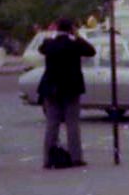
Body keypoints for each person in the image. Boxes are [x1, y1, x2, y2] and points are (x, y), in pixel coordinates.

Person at [37, 18, 96, 169]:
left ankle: (48, 157)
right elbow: (91, 51)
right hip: (71, 88)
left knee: (52, 124)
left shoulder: (50, 43)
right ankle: (76, 157)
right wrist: (77, 36)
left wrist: (52, 35)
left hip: (52, 88)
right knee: (72, 124)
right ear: (71, 28)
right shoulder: (74, 44)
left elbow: (41, 48)